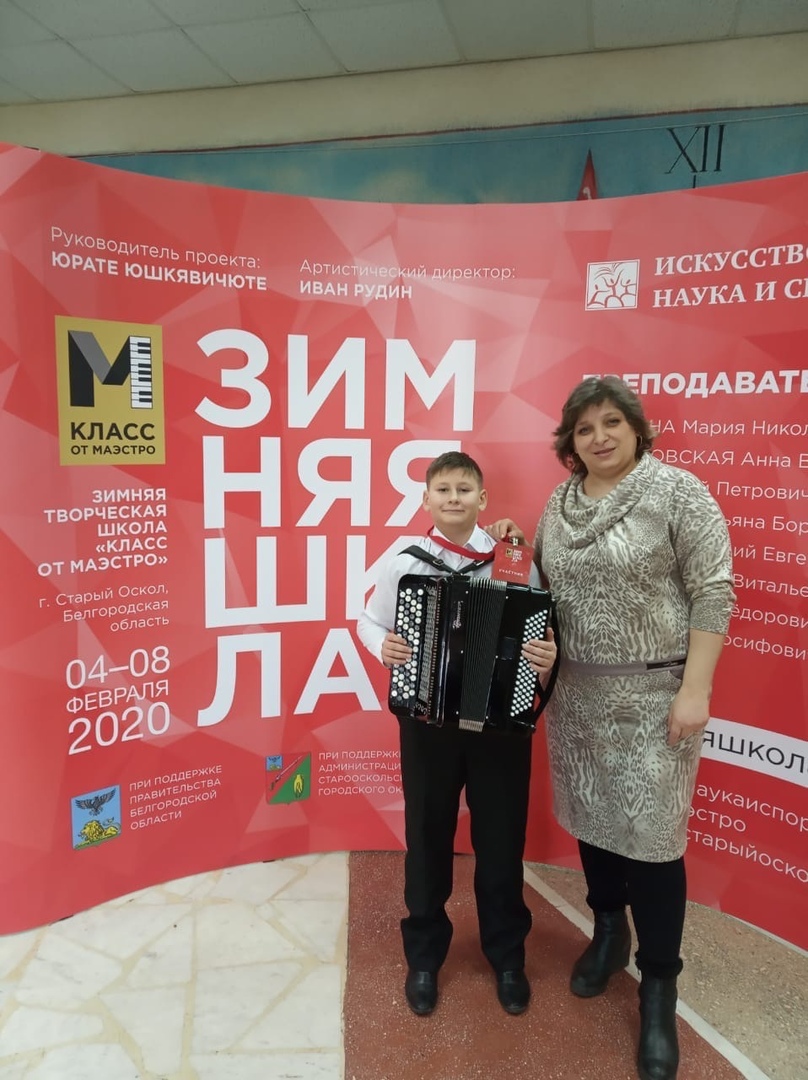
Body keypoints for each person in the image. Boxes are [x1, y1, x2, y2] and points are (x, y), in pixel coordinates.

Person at [489, 377, 734, 1080]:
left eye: (612, 423)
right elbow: (546, 586)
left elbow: (713, 590)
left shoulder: (678, 493)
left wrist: (696, 690)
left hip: (655, 699)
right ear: (570, 440)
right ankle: (607, 932)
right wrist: (515, 546)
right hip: (576, 699)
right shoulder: (560, 502)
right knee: (595, 823)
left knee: (653, 845)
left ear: (635, 427)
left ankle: (658, 986)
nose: (599, 437)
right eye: (585, 427)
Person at [357, 450, 557, 1017]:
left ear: (482, 499)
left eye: (464, 489)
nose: (453, 498)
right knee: (426, 835)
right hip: (427, 724)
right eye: (442, 490)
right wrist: (382, 645)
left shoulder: (512, 559)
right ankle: (424, 956)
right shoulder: (404, 560)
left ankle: (508, 956)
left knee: (501, 842)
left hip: (500, 726)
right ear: (426, 500)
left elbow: (540, 632)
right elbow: (369, 619)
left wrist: (544, 659)